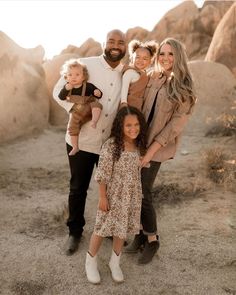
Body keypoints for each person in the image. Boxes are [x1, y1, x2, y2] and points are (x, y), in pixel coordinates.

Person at [53, 29, 126, 256]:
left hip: (109, 143)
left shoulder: (127, 72)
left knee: (111, 189)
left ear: (125, 47)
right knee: (78, 188)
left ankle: (109, 228)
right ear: (105, 43)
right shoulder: (85, 64)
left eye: (120, 42)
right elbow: (58, 91)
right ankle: (75, 232)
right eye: (111, 41)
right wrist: (78, 110)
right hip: (82, 140)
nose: (115, 46)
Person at [125, 38, 197, 264]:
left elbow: (172, 128)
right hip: (139, 142)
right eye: (162, 54)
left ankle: (153, 239)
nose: (165, 59)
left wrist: (148, 154)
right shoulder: (154, 78)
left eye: (171, 54)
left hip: (157, 147)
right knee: (135, 190)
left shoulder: (184, 88)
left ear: (179, 57)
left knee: (144, 191)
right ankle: (139, 235)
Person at [85, 106, 147, 284]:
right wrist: (103, 197)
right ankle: (90, 261)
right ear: (120, 126)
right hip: (112, 195)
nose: (133, 129)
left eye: (136, 124)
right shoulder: (112, 146)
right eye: (128, 125)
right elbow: (102, 175)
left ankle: (115, 262)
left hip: (130, 195)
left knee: (122, 229)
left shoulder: (139, 145)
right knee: (101, 228)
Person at [58, 59, 103, 156]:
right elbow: (61, 97)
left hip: (89, 108)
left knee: (97, 105)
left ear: (83, 77)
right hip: (77, 112)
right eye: (70, 75)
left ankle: (94, 121)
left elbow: (99, 95)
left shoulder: (88, 86)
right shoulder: (67, 87)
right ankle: (75, 147)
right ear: (66, 77)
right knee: (72, 126)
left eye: (77, 75)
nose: (73, 77)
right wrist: (65, 89)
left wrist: (97, 93)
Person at [120, 39, 158, 111]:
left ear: (150, 61)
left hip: (139, 105)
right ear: (131, 58)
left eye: (145, 59)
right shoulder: (130, 72)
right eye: (137, 57)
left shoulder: (145, 73)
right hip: (128, 105)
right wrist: (123, 102)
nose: (140, 60)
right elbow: (124, 88)